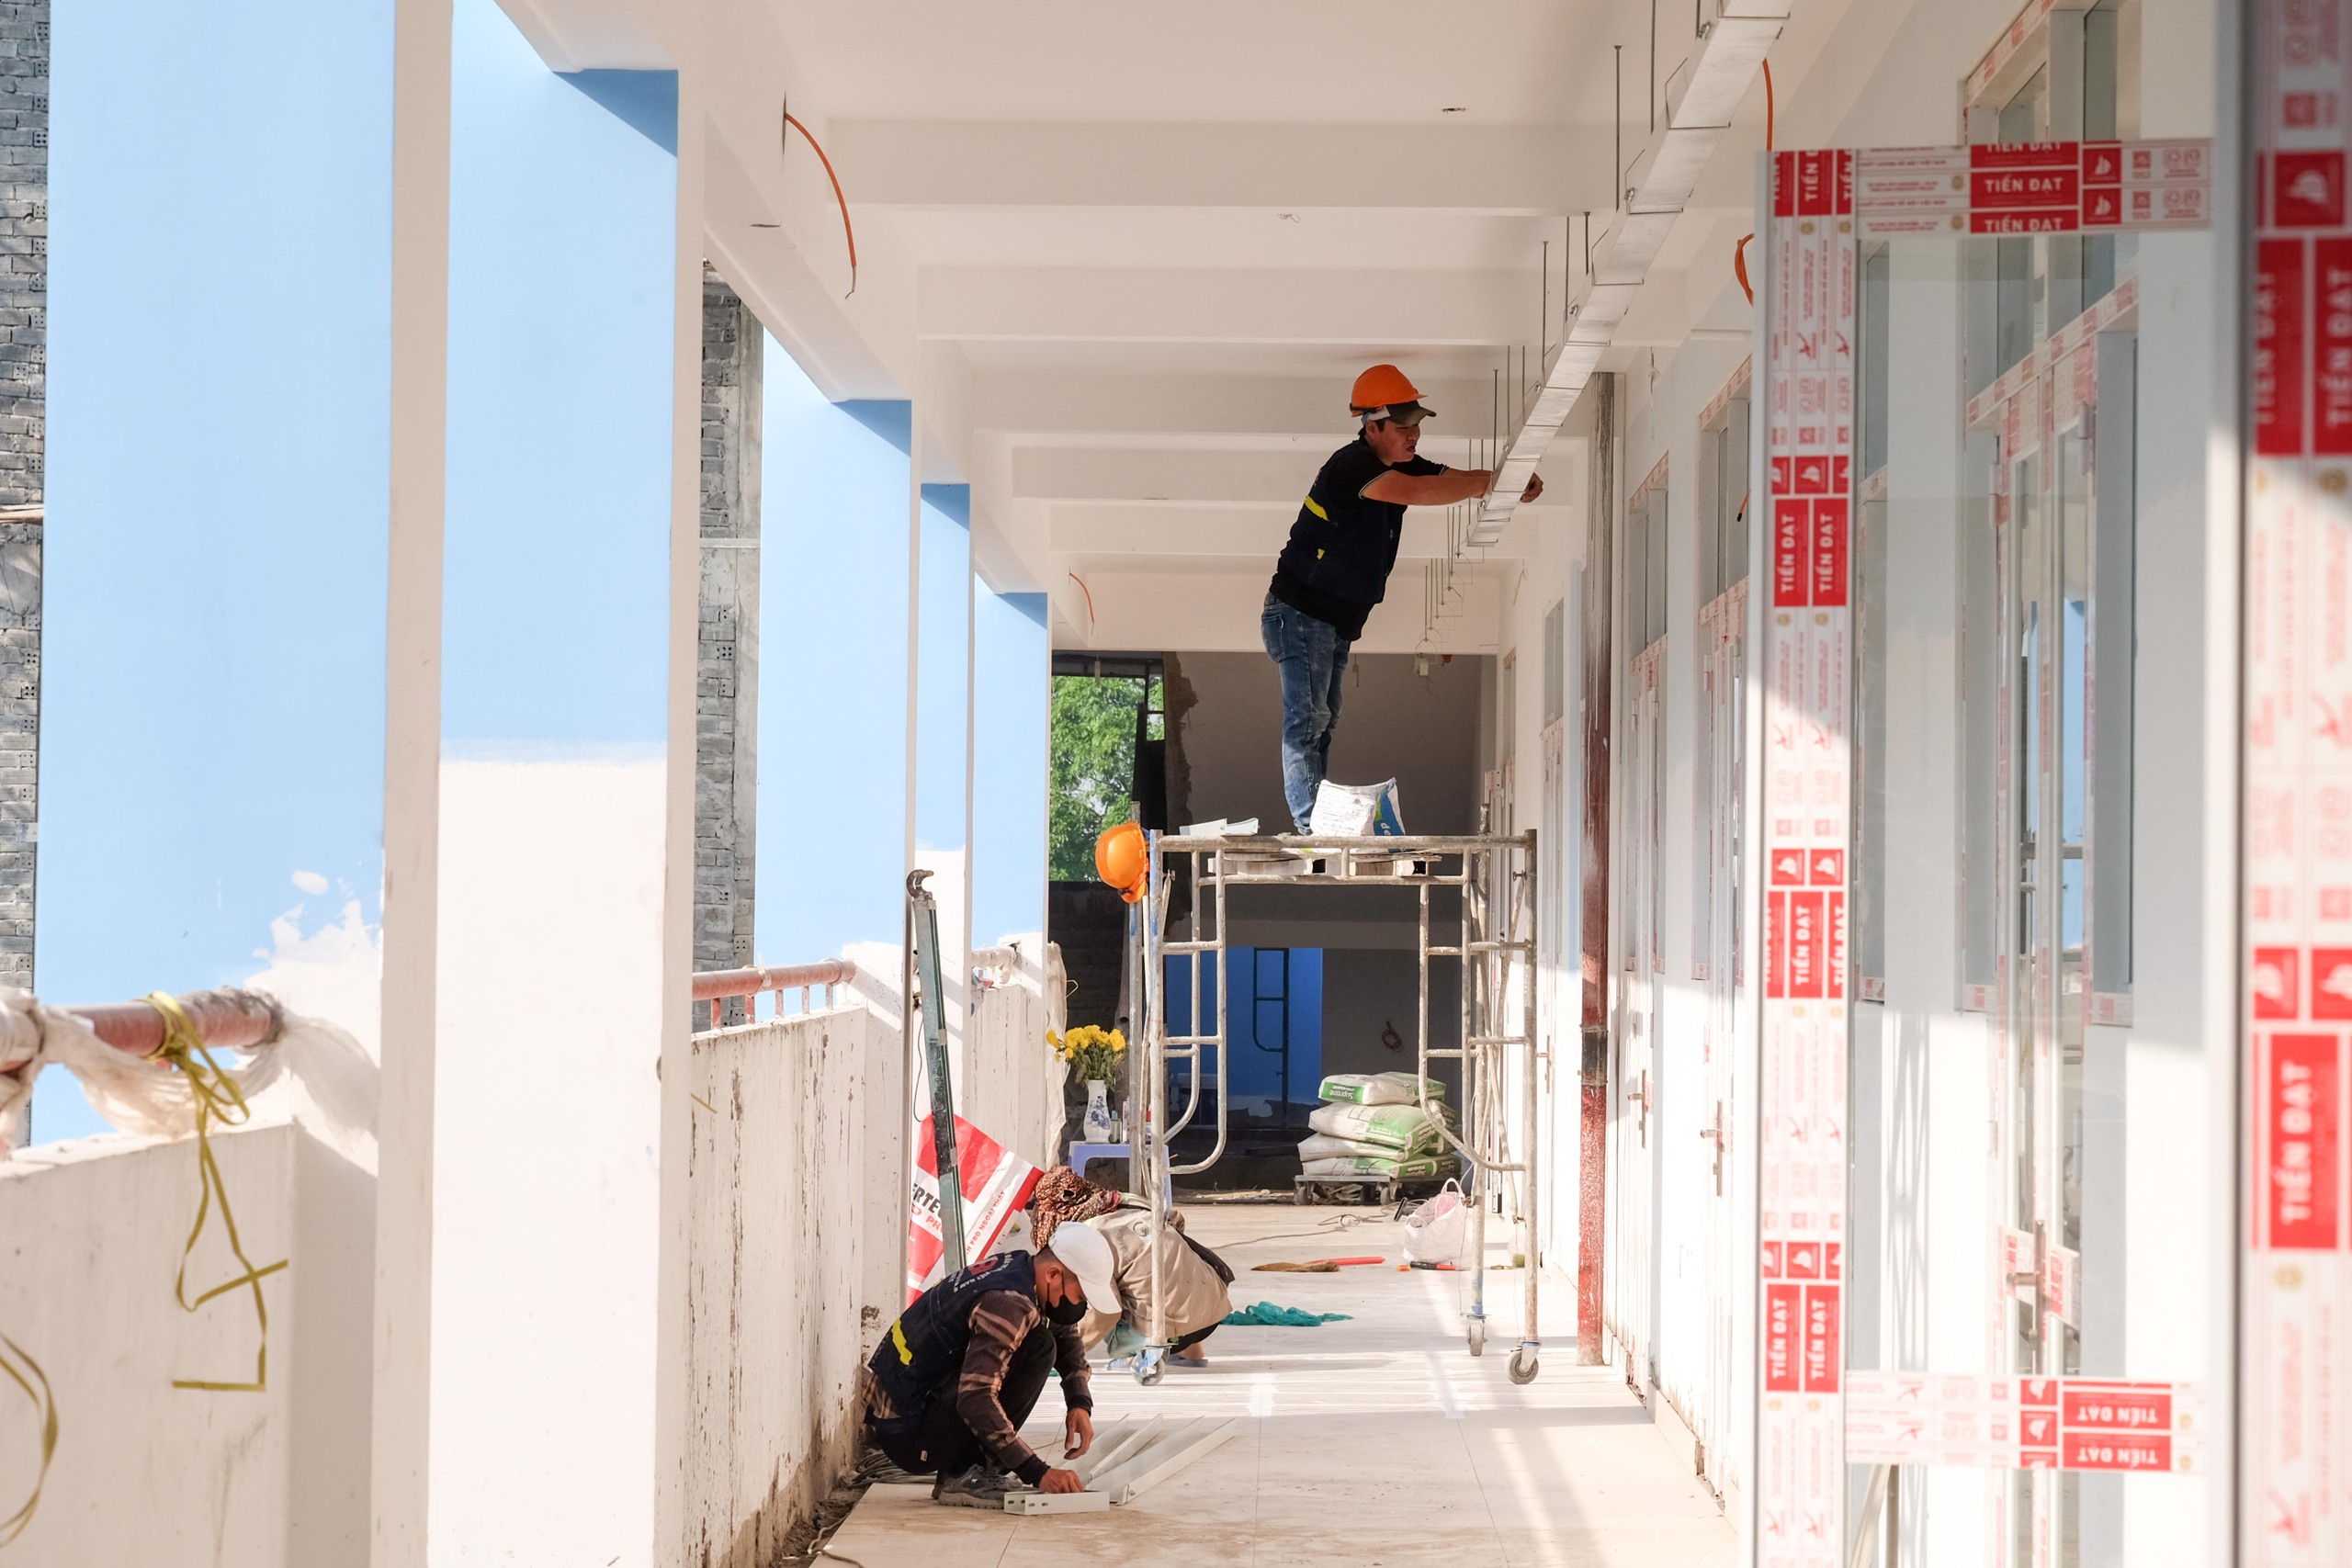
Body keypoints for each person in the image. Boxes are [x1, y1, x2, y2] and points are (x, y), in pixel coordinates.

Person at [1263, 364, 1545, 832]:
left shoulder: (1393, 463)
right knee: (1307, 720)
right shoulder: (1352, 467)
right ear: (1371, 427)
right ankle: (1310, 826)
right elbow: (1419, 490)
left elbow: (1444, 475)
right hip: (1300, 613)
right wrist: (1491, 484)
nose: (1414, 436)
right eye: (1402, 427)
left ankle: (1315, 822)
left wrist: (1506, 482)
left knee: (1323, 720)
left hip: (1328, 619)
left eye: (1417, 426)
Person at [860, 1223, 1124, 1507]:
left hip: (908, 1411)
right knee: (1038, 1348)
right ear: (1053, 1274)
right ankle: (964, 1473)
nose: (1079, 1306)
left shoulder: (1019, 1267)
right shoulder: (1008, 1304)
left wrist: (1079, 1401)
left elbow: (1064, 1331)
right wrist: (1037, 1472)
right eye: (1081, 1296)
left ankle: (967, 1466)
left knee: (1041, 1340)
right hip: (908, 1433)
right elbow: (976, 1397)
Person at [1032, 1166, 1233, 1368]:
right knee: (1172, 1268)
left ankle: (1136, 1356)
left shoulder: (1087, 1237)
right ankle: (1192, 1354)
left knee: (1095, 1294)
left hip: (1167, 1332)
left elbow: (1104, 1315)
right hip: (1214, 1309)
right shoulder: (1125, 1201)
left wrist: (1063, 1355)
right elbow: (1176, 1220)